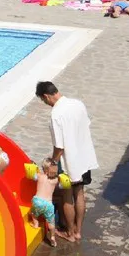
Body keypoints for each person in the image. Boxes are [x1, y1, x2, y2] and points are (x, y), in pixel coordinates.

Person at [35, 81, 99, 243]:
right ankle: (78, 231)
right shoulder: (78, 104)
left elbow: (59, 146)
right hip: (84, 157)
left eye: (43, 100)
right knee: (80, 194)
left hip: (69, 162)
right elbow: (86, 125)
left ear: (46, 96)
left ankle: (70, 233)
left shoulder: (56, 114)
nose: (46, 103)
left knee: (67, 196)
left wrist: (53, 163)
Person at [28, 158, 62, 247]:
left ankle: (36, 224)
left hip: (37, 201)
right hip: (48, 204)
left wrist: (33, 166)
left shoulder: (40, 176)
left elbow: (32, 175)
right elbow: (62, 185)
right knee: (51, 222)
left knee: (33, 213)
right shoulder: (55, 180)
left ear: (44, 169)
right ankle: (52, 237)